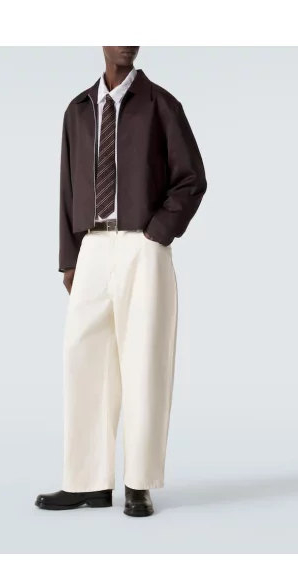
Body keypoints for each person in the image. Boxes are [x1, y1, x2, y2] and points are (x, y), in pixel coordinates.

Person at [35, 46, 207, 517]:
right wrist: (70, 259)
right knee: (83, 359)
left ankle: (139, 484)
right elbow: (67, 187)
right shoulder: (78, 110)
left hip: (143, 245)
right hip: (92, 245)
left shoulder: (161, 104)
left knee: (145, 362)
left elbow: (191, 179)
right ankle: (87, 482)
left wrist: (158, 232)